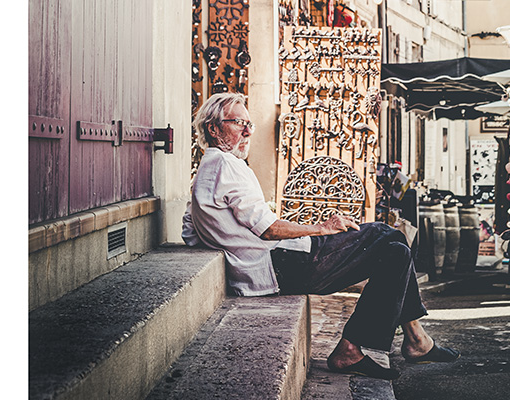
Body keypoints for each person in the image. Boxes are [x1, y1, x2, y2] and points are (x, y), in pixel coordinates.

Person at [182, 92, 458, 379]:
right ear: (213, 128)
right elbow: (268, 228)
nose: (248, 131)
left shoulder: (207, 170)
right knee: (384, 234)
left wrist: (232, 246)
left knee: (396, 250)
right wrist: (321, 228)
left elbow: (190, 231)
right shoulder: (225, 165)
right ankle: (406, 341)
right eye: (239, 123)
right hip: (282, 263)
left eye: (249, 124)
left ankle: (402, 340)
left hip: (275, 265)